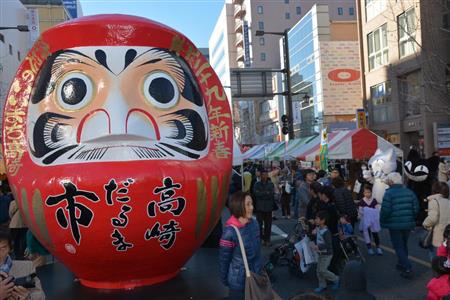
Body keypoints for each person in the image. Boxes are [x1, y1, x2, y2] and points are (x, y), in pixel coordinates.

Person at [219, 191, 262, 300]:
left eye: (252, 204)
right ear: (238, 206)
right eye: (247, 204)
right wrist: (225, 279)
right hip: (238, 283)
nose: (251, 207)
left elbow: (257, 252)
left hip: (255, 277)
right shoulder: (230, 232)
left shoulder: (254, 223)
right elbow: (224, 259)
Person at [380, 172, 419, 279]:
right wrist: (411, 218)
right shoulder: (409, 192)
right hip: (407, 224)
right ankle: (401, 263)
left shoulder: (388, 194)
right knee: (404, 244)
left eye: (388, 180)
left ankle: (407, 267)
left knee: (398, 246)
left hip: (394, 225)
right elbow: (416, 208)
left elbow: (385, 211)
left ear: (391, 182)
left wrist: (382, 220)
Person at [311, 210, 339, 293]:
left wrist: (318, 246)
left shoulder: (326, 232)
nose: (315, 220)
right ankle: (322, 285)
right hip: (320, 253)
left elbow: (328, 244)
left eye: (317, 218)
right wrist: (314, 233)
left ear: (323, 221)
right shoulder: (319, 228)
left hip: (327, 254)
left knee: (322, 270)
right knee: (318, 270)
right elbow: (318, 237)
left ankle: (336, 279)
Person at [423, 182, 450, 259]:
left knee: (436, 259)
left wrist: (425, 224)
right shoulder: (448, 202)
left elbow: (432, 218)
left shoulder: (434, 201)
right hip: (447, 236)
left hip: (437, 236)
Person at [252, 170, 275, 246]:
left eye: (266, 175)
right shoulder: (257, 184)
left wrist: (262, 193)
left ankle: (267, 239)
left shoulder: (271, 184)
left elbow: (271, 193)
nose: (264, 176)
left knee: (268, 225)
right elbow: (256, 193)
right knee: (259, 224)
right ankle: (261, 239)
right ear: (260, 176)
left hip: (269, 207)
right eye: (263, 175)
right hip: (260, 207)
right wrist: (266, 193)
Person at [358, 185, 382, 256]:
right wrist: (367, 213)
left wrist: (370, 212)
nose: (367, 194)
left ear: (371, 192)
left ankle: (378, 247)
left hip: (373, 221)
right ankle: (369, 248)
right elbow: (360, 210)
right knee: (367, 234)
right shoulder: (362, 201)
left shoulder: (374, 200)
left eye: (369, 192)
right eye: (366, 192)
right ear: (363, 193)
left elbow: (377, 209)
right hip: (365, 220)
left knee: (375, 234)